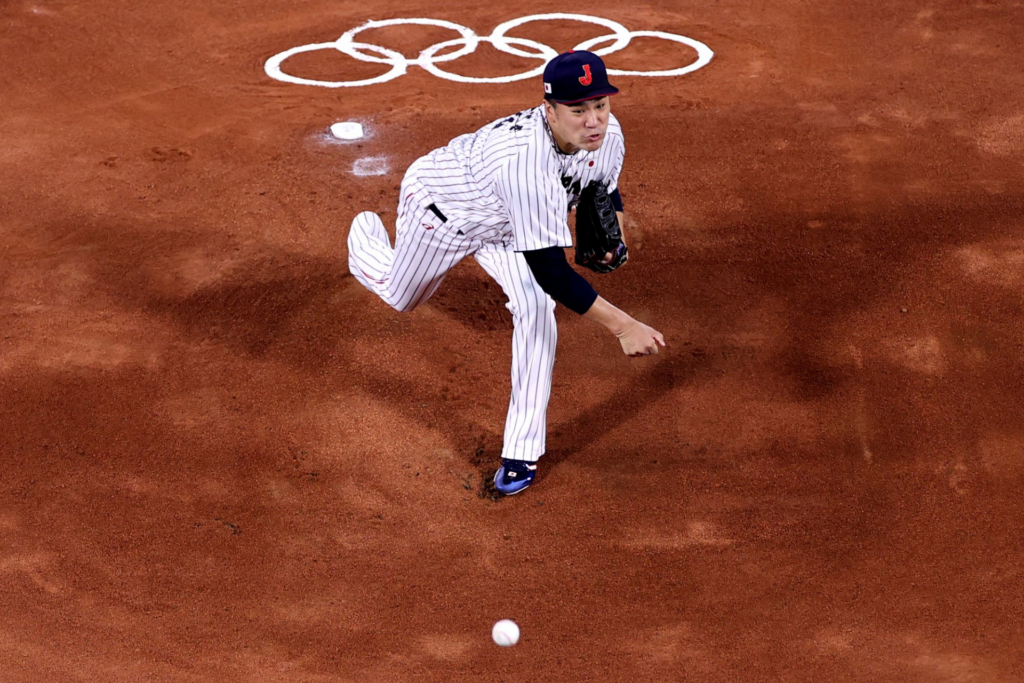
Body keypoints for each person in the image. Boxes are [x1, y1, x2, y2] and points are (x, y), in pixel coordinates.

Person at [347, 50, 665, 496]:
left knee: (536, 308)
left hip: (508, 223)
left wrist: (617, 237)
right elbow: (552, 271)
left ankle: (521, 454)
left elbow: (604, 188)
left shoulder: (607, 136)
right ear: (549, 110)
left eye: (600, 105)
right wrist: (623, 327)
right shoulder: (524, 163)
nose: (593, 121)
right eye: (578, 110)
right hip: (444, 213)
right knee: (402, 297)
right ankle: (364, 240)